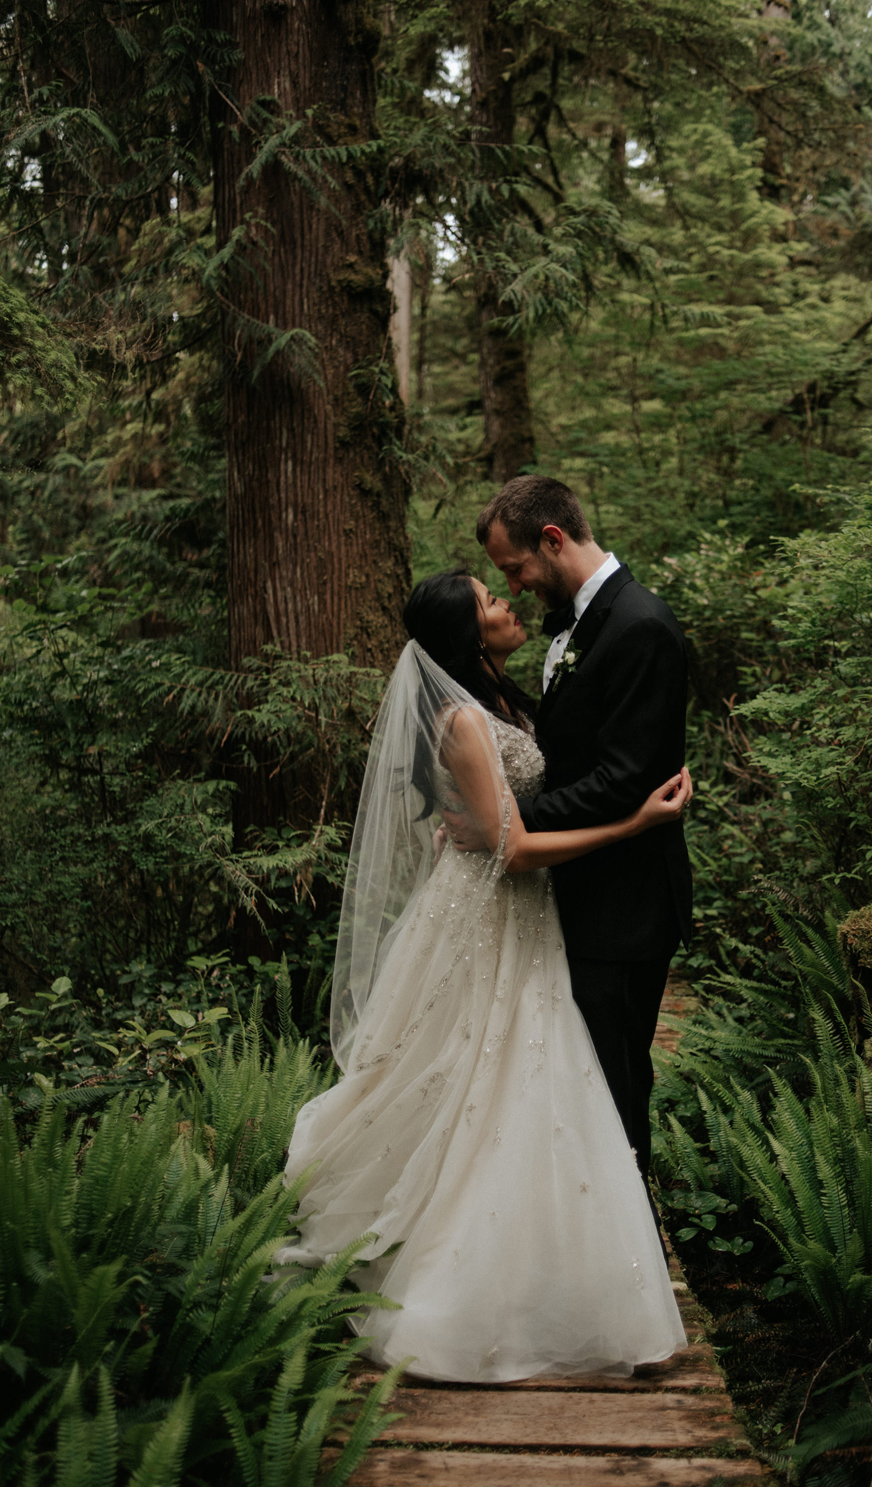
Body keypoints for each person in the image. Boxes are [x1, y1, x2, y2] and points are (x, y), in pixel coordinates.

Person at [279, 569, 691, 1381]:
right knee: (482, 1074)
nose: (508, 606)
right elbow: (515, 849)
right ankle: (462, 1280)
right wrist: (634, 821)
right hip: (491, 909)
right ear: (469, 633)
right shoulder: (464, 718)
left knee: (519, 1080)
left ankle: (547, 1274)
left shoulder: (499, 700)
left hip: (519, 915)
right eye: (491, 602)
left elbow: (501, 811)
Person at [468, 474, 694, 1182]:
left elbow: (624, 779)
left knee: (616, 1080)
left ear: (553, 539)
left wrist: (506, 819)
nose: (517, 584)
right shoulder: (580, 625)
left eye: (516, 568)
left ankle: (631, 1255)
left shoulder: (642, 626)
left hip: (625, 907)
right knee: (584, 1076)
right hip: (580, 893)